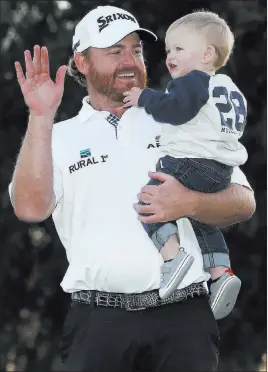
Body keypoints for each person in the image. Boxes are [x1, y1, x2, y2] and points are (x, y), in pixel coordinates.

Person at [9, 5, 255, 372]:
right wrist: (42, 117)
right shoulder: (56, 137)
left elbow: (243, 201)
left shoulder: (181, 116)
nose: (129, 60)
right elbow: (30, 209)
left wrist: (188, 202)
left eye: (136, 50)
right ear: (83, 61)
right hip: (97, 323)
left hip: (183, 320)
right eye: (114, 51)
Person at [123, 11, 247, 319]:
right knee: (200, 220)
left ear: (206, 54)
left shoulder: (192, 82)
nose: (170, 56)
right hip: (221, 171)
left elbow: (174, 111)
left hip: (191, 162)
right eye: (168, 50)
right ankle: (220, 273)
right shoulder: (227, 87)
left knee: (149, 202)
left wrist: (144, 98)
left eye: (179, 49)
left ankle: (172, 257)